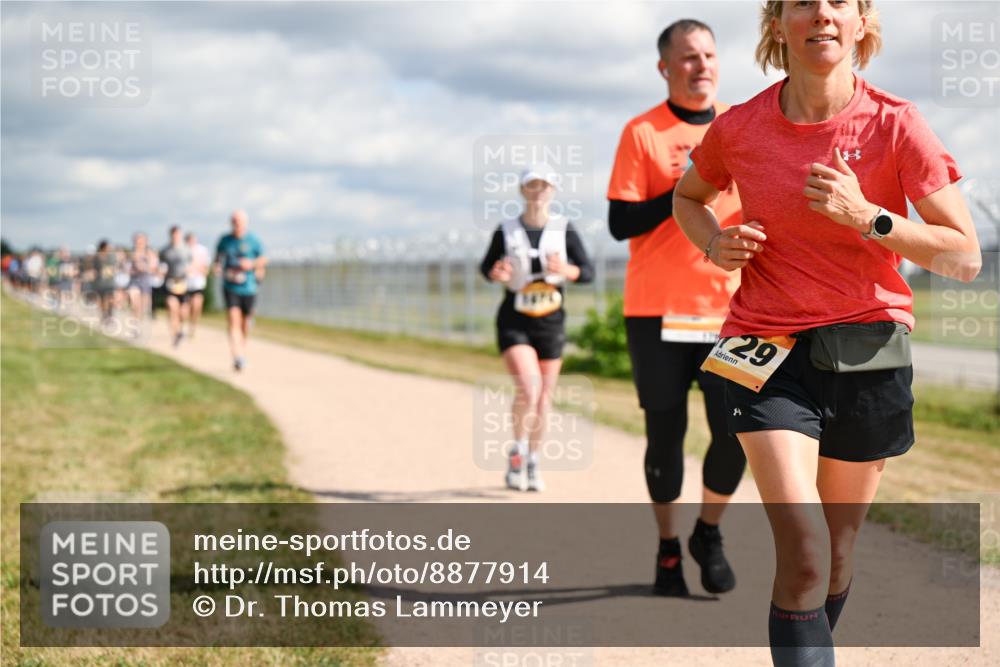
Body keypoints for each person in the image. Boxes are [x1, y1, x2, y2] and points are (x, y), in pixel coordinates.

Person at [673, 2, 981, 664]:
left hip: (867, 351)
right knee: (806, 550)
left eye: (839, 0)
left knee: (837, 559)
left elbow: (964, 255)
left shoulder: (897, 124)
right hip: (768, 349)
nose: (821, 13)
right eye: (801, 2)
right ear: (778, 24)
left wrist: (869, 216)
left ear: (862, 21)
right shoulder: (740, 127)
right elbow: (688, 197)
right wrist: (715, 242)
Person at [606, 19, 747, 597]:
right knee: (665, 437)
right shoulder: (642, 133)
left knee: (736, 433)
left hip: (735, 314)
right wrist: (690, 186)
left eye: (709, 54)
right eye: (688, 57)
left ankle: (708, 533)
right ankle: (668, 550)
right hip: (657, 311)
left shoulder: (743, 127)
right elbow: (620, 223)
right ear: (665, 68)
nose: (702, 65)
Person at [480, 165, 594, 492]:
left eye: (545, 185)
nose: (539, 191)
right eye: (532, 185)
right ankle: (517, 450)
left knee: (544, 398)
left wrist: (567, 270)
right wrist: (496, 272)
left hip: (551, 318)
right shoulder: (506, 229)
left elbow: (587, 272)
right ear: (522, 190)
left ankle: (532, 459)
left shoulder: (564, 228)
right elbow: (487, 266)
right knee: (528, 389)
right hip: (514, 317)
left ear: (554, 190)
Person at [214, 210, 266, 371]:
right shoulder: (224, 240)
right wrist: (217, 267)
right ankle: (237, 356)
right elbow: (217, 259)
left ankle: (241, 350)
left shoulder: (254, 240)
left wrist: (251, 264)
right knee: (233, 319)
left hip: (249, 287)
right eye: (233, 221)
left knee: (245, 323)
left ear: (245, 222)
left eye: (239, 221)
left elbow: (263, 259)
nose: (236, 224)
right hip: (230, 287)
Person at [159, 226, 192, 348]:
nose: (175, 237)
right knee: (172, 308)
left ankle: (181, 328)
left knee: (183, 312)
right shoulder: (165, 251)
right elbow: (160, 264)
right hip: (170, 283)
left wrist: (190, 270)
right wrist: (161, 271)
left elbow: (192, 263)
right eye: (173, 235)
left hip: (183, 283)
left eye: (177, 235)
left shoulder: (186, 249)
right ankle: (176, 335)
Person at [127, 232, 158, 330]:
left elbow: (154, 268)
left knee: (142, 307)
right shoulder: (131, 254)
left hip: (145, 282)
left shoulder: (150, 253)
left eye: (140, 240)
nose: (138, 243)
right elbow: (126, 268)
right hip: (134, 282)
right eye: (137, 241)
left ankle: (138, 323)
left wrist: (143, 267)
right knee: (135, 303)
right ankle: (135, 326)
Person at [185, 232, 211, 338]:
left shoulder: (202, 250)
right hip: (184, 284)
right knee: (185, 309)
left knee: (196, 306)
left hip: (198, 284)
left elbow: (206, 268)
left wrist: (199, 269)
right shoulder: (182, 250)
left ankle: (193, 327)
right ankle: (182, 326)